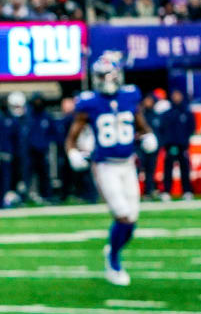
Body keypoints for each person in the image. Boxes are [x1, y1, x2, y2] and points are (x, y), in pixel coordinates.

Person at [65, 53, 159, 286]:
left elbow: (139, 122)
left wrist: (148, 135)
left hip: (128, 165)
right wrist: (72, 152)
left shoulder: (130, 96)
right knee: (123, 217)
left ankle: (113, 249)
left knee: (132, 220)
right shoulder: (90, 102)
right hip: (105, 166)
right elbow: (72, 135)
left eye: (107, 75)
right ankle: (114, 260)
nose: (104, 80)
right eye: (100, 76)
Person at [159, 89, 196, 201]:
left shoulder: (186, 112)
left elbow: (191, 127)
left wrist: (184, 140)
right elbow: (162, 129)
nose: (176, 98)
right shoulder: (167, 113)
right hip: (170, 145)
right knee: (168, 169)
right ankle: (166, 191)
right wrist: (167, 142)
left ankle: (187, 191)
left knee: (185, 168)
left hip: (183, 145)